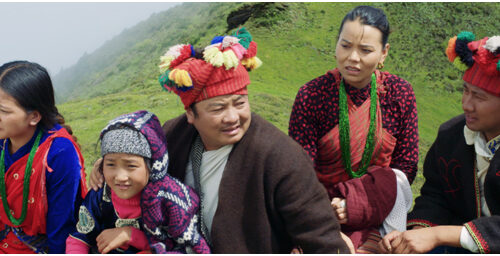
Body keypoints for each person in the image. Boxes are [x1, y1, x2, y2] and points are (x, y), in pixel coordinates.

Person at [89, 27, 350, 253]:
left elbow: (322, 237)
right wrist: (105, 164)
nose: (232, 117)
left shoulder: (281, 157)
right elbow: (137, 149)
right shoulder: (173, 136)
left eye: (240, 103)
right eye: (217, 109)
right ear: (190, 113)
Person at [289, 5, 417, 253]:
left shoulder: (399, 94)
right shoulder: (312, 95)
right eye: (345, 45)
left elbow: (405, 169)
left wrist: (359, 204)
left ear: (383, 53)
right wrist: (329, 226)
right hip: (322, 214)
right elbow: (300, 173)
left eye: (366, 50)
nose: (353, 58)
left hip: (380, 209)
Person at [380, 32, 500, 254]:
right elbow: (436, 193)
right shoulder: (451, 136)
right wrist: (416, 234)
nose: (466, 104)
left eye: (479, 97)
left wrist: (437, 235)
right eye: (465, 90)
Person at [66, 110, 210, 253]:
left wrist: (131, 235)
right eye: (110, 164)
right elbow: (80, 237)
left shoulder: (171, 201)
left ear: (152, 166)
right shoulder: (99, 196)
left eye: (131, 166)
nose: (120, 176)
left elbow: (189, 249)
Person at [0, 61, 87, 253]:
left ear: (34, 117)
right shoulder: (3, 139)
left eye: (4, 111)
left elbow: (61, 223)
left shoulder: (59, 152)